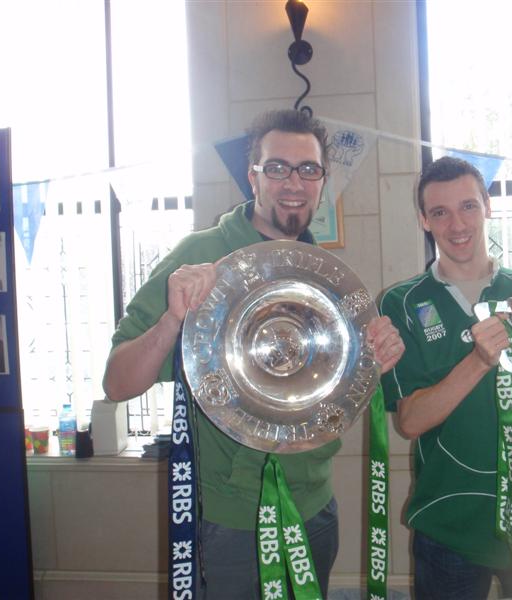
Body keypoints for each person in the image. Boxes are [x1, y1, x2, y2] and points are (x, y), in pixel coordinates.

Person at [103, 109, 404, 600]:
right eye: (277, 167)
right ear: (253, 177)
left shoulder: (324, 274)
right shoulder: (198, 257)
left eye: (308, 169)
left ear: (323, 181)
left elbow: (341, 388)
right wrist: (173, 320)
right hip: (230, 521)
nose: (294, 182)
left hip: (315, 510)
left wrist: (378, 354)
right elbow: (117, 383)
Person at [379, 157, 512, 599]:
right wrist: (478, 360)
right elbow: (410, 421)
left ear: (488, 205)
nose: (457, 224)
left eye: (468, 206)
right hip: (450, 523)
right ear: (423, 221)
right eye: (440, 212)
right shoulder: (402, 303)